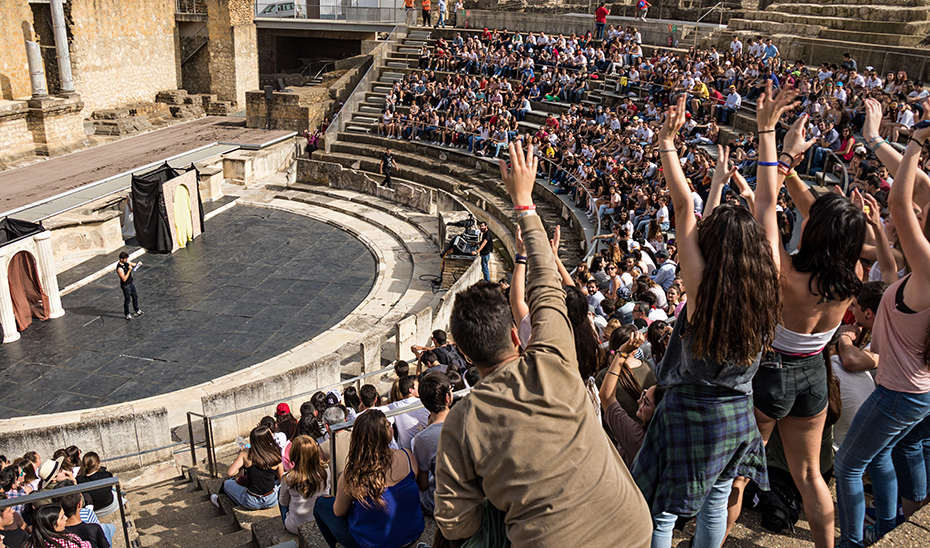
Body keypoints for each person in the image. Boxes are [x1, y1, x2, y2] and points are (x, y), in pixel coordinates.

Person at [434, 141, 652, 547]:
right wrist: (524, 203)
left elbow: (455, 525)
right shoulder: (555, 355)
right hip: (633, 529)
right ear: (516, 335)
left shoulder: (463, 422)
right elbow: (546, 286)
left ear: (464, 353)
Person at [631, 95, 780, 548]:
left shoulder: (702, 294)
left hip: (689, 413)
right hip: (737, 414)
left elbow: (682, 208)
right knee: (716, 501)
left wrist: (667, 144)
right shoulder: (768, 282)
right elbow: (768, 205)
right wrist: (768, 135)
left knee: (661, 510)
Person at [747, 82, 866, 548]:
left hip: (772, 372)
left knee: (741, 472)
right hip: (815, 372)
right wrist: (792, 170)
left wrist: (772, 138)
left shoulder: (787, 275)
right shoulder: (852, 272)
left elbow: (763, 203)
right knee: (810, 474)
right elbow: (815, 215)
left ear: (816, 233)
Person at [835, 97, 930, 547]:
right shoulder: (915, 274)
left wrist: (912, 141)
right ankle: (898, 516)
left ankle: (855, 541)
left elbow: (902, 198)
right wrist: (874, 141)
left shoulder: (928, 270)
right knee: (901, 448)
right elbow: (890, 275)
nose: (920, 208)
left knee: (850, 465)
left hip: (900, 393)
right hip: (916, 390)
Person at [313, 410, 425, 548]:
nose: (390, 425)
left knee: (320, 504)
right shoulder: (407, 456)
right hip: (413, 534)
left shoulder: (351, 473)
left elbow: (339, 511)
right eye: (387, 424)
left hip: (372, 543)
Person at [212, 426, 284, 510]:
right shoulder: (276, 454)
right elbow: (281, 480)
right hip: (271, 500)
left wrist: (240, 456)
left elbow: (230, 473)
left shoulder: (246, 453)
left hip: (250, 501)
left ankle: (219, 501)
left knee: (227, 483)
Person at [411, 371, 451, 517]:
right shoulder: (469, 418)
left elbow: (423, 484)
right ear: (447, 398)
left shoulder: (422, 438)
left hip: (442, 502)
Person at [279, 436, 330, 535]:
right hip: (321, 523)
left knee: (280, 493)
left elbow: (283, 502)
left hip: (295, 526)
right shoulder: (326, 470)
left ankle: (285, 524)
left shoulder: (288, 477)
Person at [22, 504, 90, 548]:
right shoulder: (68, 542)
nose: (66, 518)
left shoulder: (29, 544)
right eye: (62, 517)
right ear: (52, 525)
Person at [75, 453, 118, 518]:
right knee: (115, 491)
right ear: (98, 463)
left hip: (93, 508)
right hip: (108, 504)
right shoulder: (107, 475)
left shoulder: (79, 480)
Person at [116, 252, 143, 322]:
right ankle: (127, 314)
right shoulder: (119, 268)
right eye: (125, 259)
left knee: (135, 296)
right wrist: (129, 270)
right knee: (127, 300)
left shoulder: (126, 262)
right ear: (121, 259)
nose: (126, 260)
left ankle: (136, 309)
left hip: (131, 283)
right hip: (125, 285)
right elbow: (124, 279)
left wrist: (137, 264)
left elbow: (131, 264)